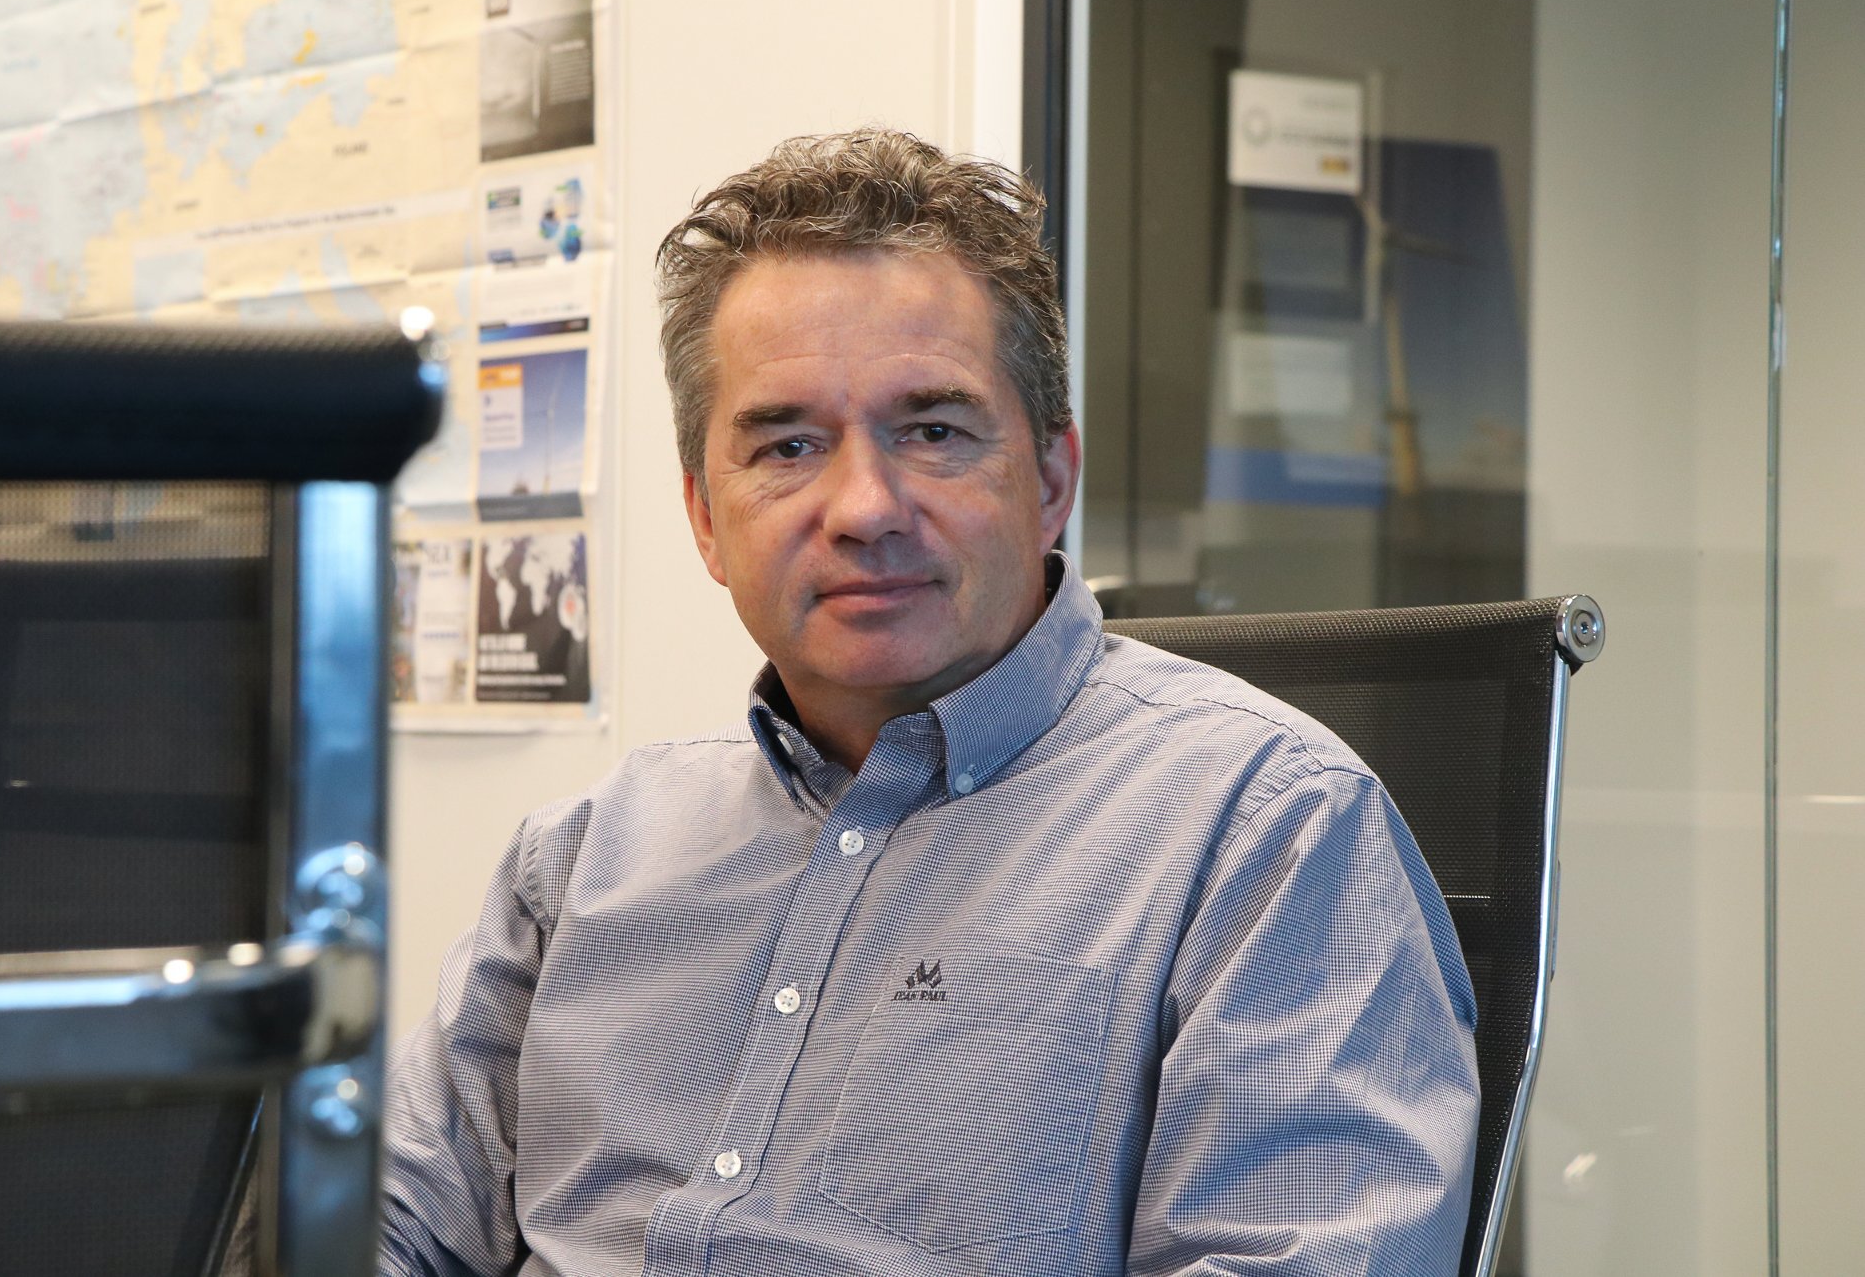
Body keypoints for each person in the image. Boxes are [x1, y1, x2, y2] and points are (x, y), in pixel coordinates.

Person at [379, 129, 1479, 1277]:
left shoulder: (1270, 834)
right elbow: (367, 1221)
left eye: (934, 433)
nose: (864, 507)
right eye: (788, 446)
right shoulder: (586, 858)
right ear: (706, 517)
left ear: (1050, 481)